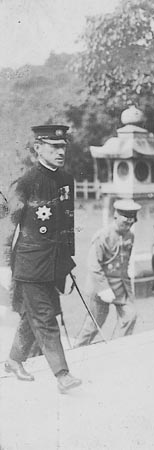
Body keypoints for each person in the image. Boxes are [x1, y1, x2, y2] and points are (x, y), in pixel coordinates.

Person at [0, 124, 81, 393]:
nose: (61, 152)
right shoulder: (26, 182)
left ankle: (13, 360)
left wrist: (67, 262)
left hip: (54, 263)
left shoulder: (66, 180)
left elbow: (67, 223)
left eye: (63, 147)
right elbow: (9, 225)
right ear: (38, 148)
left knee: (33, 316)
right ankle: (63, 375)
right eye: (54, 147)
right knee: (45, 316)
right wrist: (3, 264)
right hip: (30, 263)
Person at [74, 199, 141, 346]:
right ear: (116, 216)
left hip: (120, 285)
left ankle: (117, 348)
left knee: (130, 315)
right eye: (125, 222)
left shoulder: (130, 236)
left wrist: (127, 288)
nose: (128, 226)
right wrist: (104, 289)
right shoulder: (102, 236)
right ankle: (77, 351)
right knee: (93, 325)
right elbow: (93, 265)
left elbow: (125, 263)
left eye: (131, 222)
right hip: (100, 287)